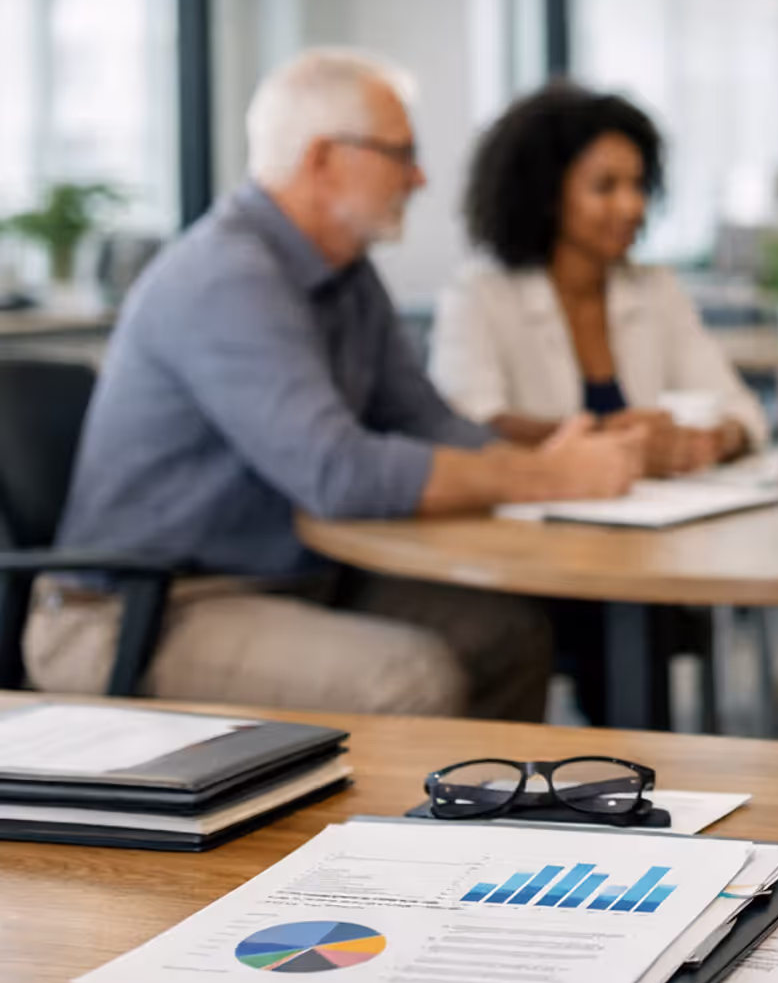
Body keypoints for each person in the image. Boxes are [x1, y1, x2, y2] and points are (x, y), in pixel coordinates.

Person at [25, 48, 656, 721]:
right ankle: (405, 830)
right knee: (406, 677)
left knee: (507, 634)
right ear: (324, 159)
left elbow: (424, 419)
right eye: (400, 153)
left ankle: (494, 825)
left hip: (285, 582)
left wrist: (546, 459)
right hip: (144, 612)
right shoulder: (226, 277)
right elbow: (337, 472)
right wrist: (551, 480)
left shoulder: (347, 274)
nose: (418, 177)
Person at [430, 84, 766, 470]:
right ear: (547, 196)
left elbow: (742, 410)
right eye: (605, 187)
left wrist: (712, 441)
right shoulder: (478, 294)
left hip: (651, 520)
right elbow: (467, 427)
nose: (631, 206)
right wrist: (618, 439)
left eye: (638, 185)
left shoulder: (657, 288)